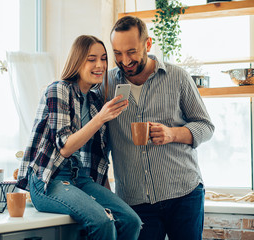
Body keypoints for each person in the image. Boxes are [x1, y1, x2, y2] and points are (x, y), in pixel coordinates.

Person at [16, 35, 142, 240]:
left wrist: (106, 193)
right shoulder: (58, 90)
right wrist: (101, 118)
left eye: (103, 59)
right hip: (49, 179)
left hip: (81, 178)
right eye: (91, 59)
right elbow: (65, 147)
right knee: (102, 222)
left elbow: (98, 158)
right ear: (77, 61)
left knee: (131, 221)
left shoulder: (94, 100)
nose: (100, 65)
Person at [102, 16, 215, 240]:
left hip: (184, 194)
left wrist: (172, 133)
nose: (124, 60)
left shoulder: (177, 77)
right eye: (117, 53)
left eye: (131, 51)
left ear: (148, 44)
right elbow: (99, 142)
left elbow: (206, 126)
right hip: (134, 201)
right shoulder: (106, 85)